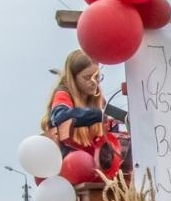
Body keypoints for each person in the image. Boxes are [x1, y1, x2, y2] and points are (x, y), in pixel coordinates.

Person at [40, 50, 121, 178]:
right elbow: (60, 116)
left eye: (97, 77)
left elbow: (112, 131)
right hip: (71, 166)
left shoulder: (99, 99)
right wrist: (97, 115)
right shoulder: (63, 94)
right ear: (73, 78)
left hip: (98, 167)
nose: (94, 82)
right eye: (87, 77)